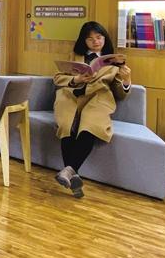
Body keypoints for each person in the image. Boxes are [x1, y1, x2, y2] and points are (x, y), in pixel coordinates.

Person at [53, 21, 132, 198]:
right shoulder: (74, 55)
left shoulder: (114, 62)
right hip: (71, 96)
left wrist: (126, 81)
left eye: (98, 37)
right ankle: (72, 176)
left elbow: (120, 94)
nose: (95, 42)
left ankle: (68, 171)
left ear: (104, 38)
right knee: (66, 125)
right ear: (84, 41)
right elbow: (57, 78)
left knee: (90, 125)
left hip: (98, 98)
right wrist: (77, 79)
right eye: (90, 39)